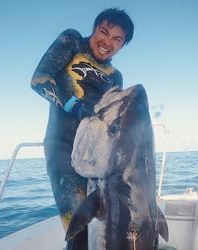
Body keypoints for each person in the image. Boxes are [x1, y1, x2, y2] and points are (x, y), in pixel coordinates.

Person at [30, 8, 134, 250]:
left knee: (104, 228)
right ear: (95, 28)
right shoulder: (72, 41)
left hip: (99, 158)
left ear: (122, 45)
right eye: (104, 31)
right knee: (79, 228)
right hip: (63, 148)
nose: (107, 42)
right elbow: (39, 78)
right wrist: (73, 106)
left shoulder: (115, 77)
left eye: (117, 39)